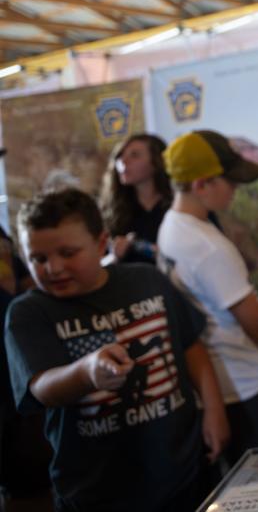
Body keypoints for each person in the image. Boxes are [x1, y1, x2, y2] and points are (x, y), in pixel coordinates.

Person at [4, 188, 229, 512]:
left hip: (183, 470)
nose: (53, 268)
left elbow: (190, 346)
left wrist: (214, 410)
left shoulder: (147, 279)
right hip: (96, 489)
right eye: (38, 259)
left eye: (68, 253)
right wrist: (87, 372)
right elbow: (40, 388)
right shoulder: (29, 312)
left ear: (100, 243)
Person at [158, 130, 258, 464]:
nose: (236, 190)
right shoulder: (208, 247)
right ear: (201, 185)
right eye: (229, 181)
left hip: (226, 389)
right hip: (255, 390)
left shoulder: (171, 227)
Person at [99, 134, 172, 264]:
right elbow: (97, 265)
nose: (123, 161)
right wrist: (115, 255)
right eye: (121, 156)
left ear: (156, 162)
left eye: (134, 155)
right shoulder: (113, 211)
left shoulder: (177, 206)